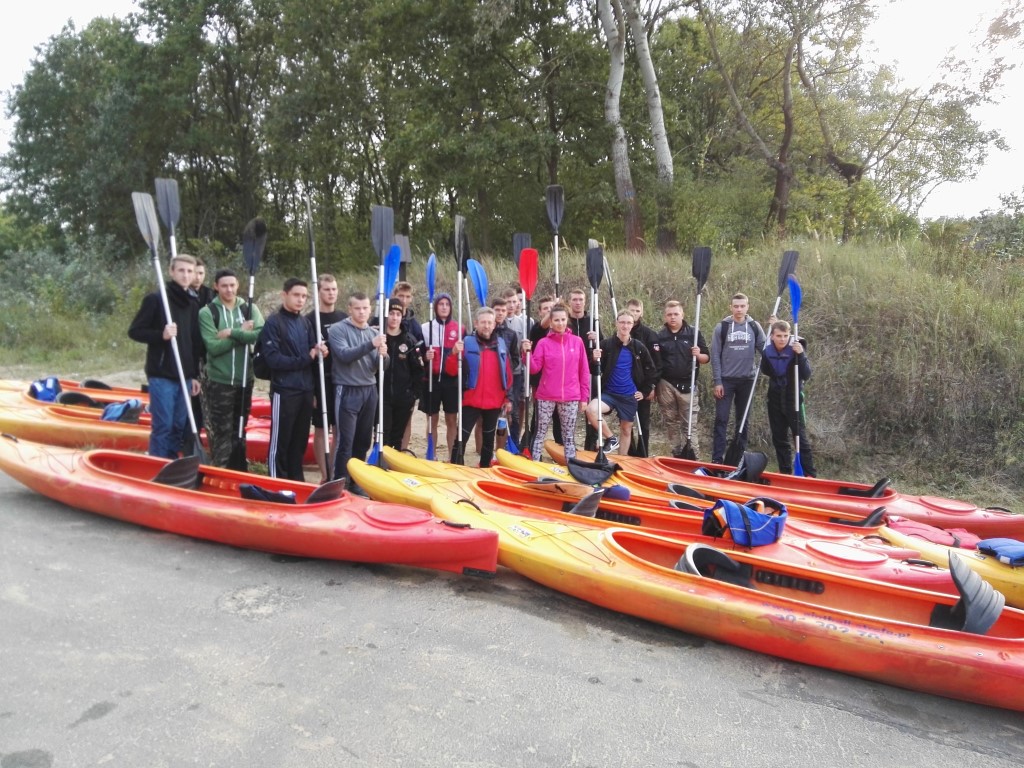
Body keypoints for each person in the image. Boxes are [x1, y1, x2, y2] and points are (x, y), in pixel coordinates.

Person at [128, 253, 202, 459]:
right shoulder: (156, 299)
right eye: (181, 270)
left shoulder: (192, 303)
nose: (185, 275)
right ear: (171, 272)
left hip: (185, 376)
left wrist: (194, 375)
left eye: (190, 271)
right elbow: (135, 331)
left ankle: (171, 465)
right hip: (162, 374)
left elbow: (194, 342)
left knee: (178, 426)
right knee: (164, 426)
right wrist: (161, 335)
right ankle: (158, 465)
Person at [261, 278, 327, 481]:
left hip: (305, 389)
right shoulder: (274, 322)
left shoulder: (305, 322)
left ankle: (296, 479)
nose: (300, 300)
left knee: (299, 441)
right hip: (284, 390)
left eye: (304, 296)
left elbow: (313, 353)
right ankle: (276, 481)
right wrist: (306, 357)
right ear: (285, 295)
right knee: (281, 440)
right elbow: (273, 359)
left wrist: (321, 351)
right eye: (296, 295)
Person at [197, 268, 264, 468]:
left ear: (238, 285)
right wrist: (242, 334)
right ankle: (221, 470)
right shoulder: (208, 312)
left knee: (240, 428)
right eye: (224, 286)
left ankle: (239, 468)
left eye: (232, 285)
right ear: (216, 286)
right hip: (220, 381)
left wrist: (231, 333)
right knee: (222, 431)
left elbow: (260, 334)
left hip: (245, 379)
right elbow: (213, 348)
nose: (229, 289)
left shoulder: (248, 308)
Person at [328, 292, 389, 489]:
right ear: (350, 309)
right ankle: (340, 482)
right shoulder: (338, 329)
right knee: (346, 441)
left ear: (370, 309)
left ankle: (356, 480)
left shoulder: (373, 333)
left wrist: (384, 355)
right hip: (347, 389)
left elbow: (380, 366)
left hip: (369, 390)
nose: (362, 312)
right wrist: (372, 344)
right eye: (357, 308)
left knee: (363, 441)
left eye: (365, 308)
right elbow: (344, 355)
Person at [520, 304, 590, 461]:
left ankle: (571, 465)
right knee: (540, 432)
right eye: (556, 320)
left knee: (568, 436)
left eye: (563, 319)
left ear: (567, 320)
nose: (560, 323)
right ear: (550, 322)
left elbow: (584, 371)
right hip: (546, 396)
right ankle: (535, 462)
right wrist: (526, 353)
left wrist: (584, 397)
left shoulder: (577, 342)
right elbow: (534, 368)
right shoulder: (543, 343)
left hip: (571, 396)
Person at [446, 306, 513, 467]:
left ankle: (484, 468)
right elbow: (451, 371)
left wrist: (507, 398)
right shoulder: (465, 343)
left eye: (489, 323)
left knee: (488, 440)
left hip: (494, 401)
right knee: (461, 438)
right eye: (483, 322)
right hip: (470, 400)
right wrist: (454, 354)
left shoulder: (500, 345)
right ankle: (456, 466)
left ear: (494, 325)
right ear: (476, 323)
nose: (486, 326)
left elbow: (508, 374)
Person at [587, 310, 656, 455]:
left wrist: (644, 391)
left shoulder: (638, 347)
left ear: (633, 325)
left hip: (629, 396)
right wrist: (594, 359)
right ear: (616, 323)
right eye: (622, 322)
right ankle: (611, 438)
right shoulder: (606, 345)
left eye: (629, 323)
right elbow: (594, 370)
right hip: (609, 394)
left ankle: (622, 460)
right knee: (591, 410)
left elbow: (651, 370)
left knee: (626, 430)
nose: (625, 326)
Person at [710, 293, 766, 464]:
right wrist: (718, 381)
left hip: (747, 381)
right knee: (721, 419)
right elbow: (715, 356)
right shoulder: (722, 327)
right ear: (731, 307)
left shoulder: (754, 327)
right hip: (726, 381)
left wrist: (773, 330)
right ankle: (717, 459)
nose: (739, 309)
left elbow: (766, 351)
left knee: (743, 421)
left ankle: (737, 458)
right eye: (736, 306)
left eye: (742, 306)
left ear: (747, 307)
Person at [760, 320, 817, 476]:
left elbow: (806, 374)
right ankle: (785, 470)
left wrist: (801, 355)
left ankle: (809, 473)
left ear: (790, 335)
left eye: (785, 336)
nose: (782, 339)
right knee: (779, 437)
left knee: (800, 436)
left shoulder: (797, 349)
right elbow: (765, 370)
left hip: (794, 398)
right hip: (775, 397)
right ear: (772, 337)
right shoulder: (767, 352)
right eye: (779, 336)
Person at [655, 300, 710, 458]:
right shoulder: (660, 336)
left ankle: (693, 456)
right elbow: (656, 363)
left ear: (682, 315)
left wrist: (698, 355)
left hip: (688, 384)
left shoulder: (693, 333)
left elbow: (706, 358)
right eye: (669, 314)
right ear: (665, 316)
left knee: (690, 424)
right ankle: (677, 455)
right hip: (666, 385)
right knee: (671, 422)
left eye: (676, 314)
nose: (672, 317)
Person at [309, 274, 348, 483]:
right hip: (319, 380)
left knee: (339, 428)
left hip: (341, 379)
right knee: (321, 428)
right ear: (318, 292)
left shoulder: (343, 318)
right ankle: (324, 475)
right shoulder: (309, 320)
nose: (331, 293)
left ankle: (333, 472)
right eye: (326, 289)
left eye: (334, 289)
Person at [420, 293, 464, 459]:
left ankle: (452, 455)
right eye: (441, 304)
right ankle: (432, 454)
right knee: (432, 419)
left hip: (451, 380)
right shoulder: (426, 328)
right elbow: (418, 355)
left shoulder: (460, 329)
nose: (444, 307)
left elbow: (464, 357)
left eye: (447, 304)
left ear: (451, 307)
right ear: (436, 307)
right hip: (431, 380)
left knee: (451, 419)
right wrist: (425, 357)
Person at [382, 298, 424, 450]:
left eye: (398, 314)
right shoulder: (379, 339)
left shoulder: (409, 341)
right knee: (383, 434)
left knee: (397, 436)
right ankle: (380, 462)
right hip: (383, 397)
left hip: (404, 397)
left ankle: (395, 461)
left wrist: (413, 395)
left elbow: (418, 370)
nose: (394, 317)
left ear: (402, 317)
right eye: (391, 313)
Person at [566, 288, 601, 451]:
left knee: (591, 409)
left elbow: (602, 346)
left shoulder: (592, 321)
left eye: (580, 299)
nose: (578, 302)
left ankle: (591, 445)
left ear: (585, 302)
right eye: (574, 299)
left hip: (589, 372)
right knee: (568, 412)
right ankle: (565, 444)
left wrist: (597, 339)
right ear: (569, 302)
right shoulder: (565, 321)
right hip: (569, 373)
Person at [625, 299, 660, 456]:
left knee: (644, 424)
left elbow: (657, 364)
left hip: (643, 386)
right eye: (631, 310)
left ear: (642, 313)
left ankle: (643, 454)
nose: (634, 314)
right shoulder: (621, 333)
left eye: (637, 311)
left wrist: (652, 386)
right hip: (625, 386)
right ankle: (629, 453)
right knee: (626, 423)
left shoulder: (649, 335)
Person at [491, 296, 520, 452]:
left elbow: (516, 358)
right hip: (487, 381)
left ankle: (500, 451)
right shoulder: (484, 331)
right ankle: (482, 451)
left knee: (504, 417)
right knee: (485, 419)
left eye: (503, 310)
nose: (500, 313)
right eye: (497, 310)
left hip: (505, 382)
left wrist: (505, 368)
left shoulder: (511, 334)